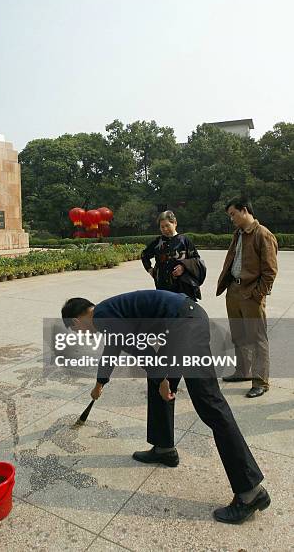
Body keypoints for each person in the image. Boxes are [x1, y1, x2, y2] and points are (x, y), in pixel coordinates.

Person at [61, 290, 270, 524]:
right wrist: (101, 383)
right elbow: (114, 348)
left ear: (77, 321)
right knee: (157, 384)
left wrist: (163, 380)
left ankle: (250, 491)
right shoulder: (106, 313)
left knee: (210, 403)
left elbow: (144, 351)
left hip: (185, 324)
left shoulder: (103, 318)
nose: (80, 334)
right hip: (181, 324)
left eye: (75, 330)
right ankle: (164, 449)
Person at [217, 197, 278, 398]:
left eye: (233, 214)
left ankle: (261, 381)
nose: (232, 218)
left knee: (257, 339)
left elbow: (270, 271)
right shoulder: (239, 234)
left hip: (251, 293)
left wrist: (257, 294)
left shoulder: (263, 234)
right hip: (234, 291)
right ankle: (243, 371)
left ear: (244, 210)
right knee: (239, 336)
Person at [141, 210, 206, 301]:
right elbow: (144, 255)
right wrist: (149, 269)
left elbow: (196, 259)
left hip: (182, 286)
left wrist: (183, 267)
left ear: (175, 223)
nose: (165, 229)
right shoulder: (157, 242)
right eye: (162, 227)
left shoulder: (184, 241)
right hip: (162, 285)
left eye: (167, 225)